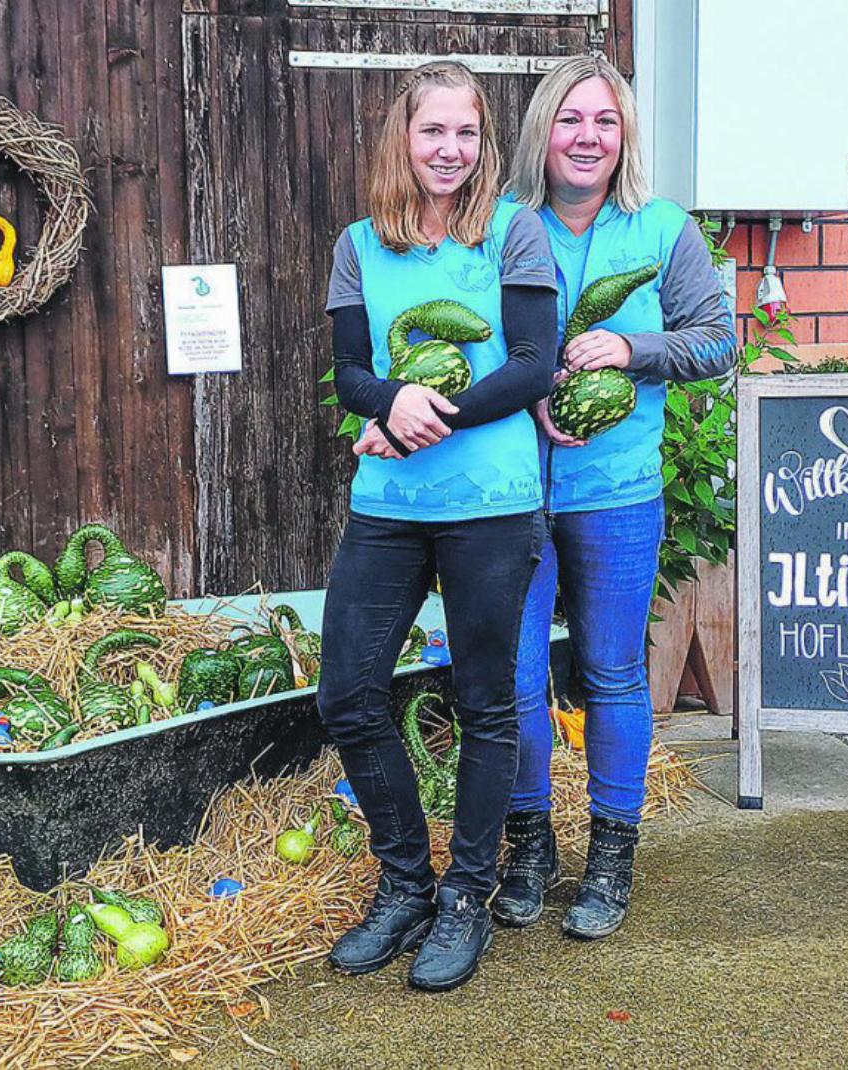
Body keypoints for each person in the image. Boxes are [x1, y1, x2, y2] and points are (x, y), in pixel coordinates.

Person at [317, 60, 559, 993]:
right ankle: (405, 882)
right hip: (387, 509)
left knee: (487, 702)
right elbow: (350, 375)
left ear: (484, 141)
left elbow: (535, 365)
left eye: (465, 133)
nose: (449, 150)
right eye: (432, 133)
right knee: (349, 693)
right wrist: (391, 399)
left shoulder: (512, 231)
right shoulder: (357, 245)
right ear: (402, 139)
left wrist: (434, 416)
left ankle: (467, 895)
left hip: (491, 509)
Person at [490, 54, 737, 940]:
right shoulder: (501, 227)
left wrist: (632, 350)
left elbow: (718, 344)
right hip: (510, 493)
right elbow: (478, 350)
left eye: (604, 120)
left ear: (624, 133)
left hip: (618, 491)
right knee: (514, 680)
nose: (587, 137)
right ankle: (527, 843)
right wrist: (529, 394)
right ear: (541, 132)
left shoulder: (664, 230)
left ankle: (611, 851)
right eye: (569, 119)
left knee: (612, 675)